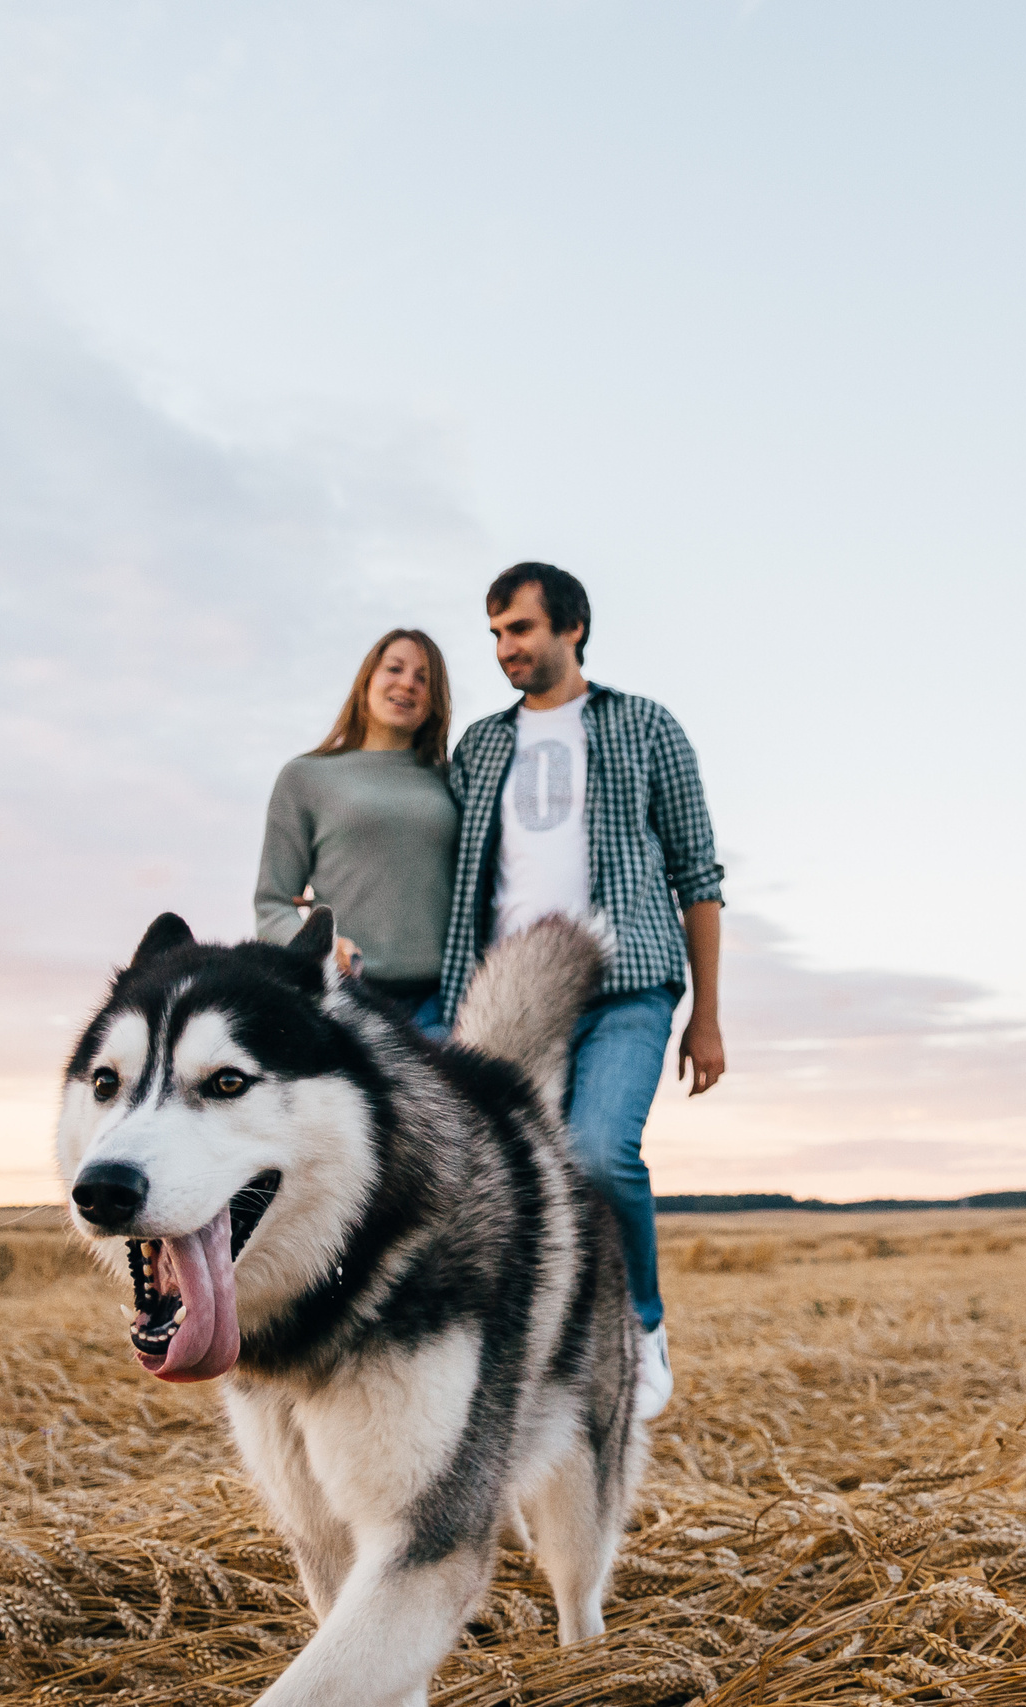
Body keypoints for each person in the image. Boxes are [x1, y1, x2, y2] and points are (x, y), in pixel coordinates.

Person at [440, 563, 723, 1421]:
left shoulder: (645, 726)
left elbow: (698, 870)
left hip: (627, 978)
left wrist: (706, 1014)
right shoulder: (482, 744)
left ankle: (640, 1328)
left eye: (519, 629)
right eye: (494, 633)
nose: (503, 649)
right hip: (511, 994)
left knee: (599, 1153)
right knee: (513, 1184)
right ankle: (540, 1355)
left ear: (572, 628)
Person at [255, 629, 458, 1028]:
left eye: (423, 678)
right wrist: (320, 949)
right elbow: (271, 904)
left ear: (436, 700)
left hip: (444, 1002)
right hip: (344, 997)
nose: (407, 684)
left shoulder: (454, 780)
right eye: (394, 669)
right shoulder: (305, 776)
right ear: (367, 679)